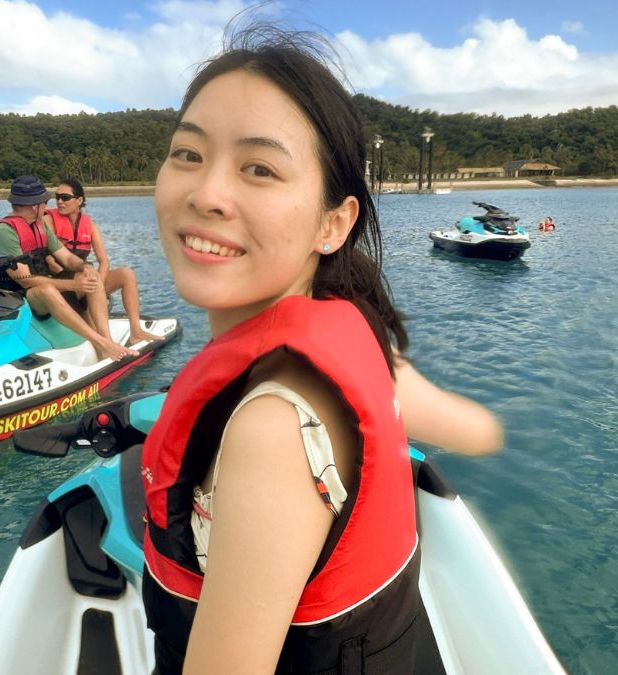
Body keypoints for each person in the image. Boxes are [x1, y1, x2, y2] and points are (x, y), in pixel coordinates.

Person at [140, 26, 503, 673]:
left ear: (335, 222)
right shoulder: (356, 324)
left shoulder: (272, 432)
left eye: (259, 168)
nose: (206, 193)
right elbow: (471, 429)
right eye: (188, 155)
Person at [0, 175, 136, 361]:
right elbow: (25, 280)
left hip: (41, 289)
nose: (48, 207)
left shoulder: (38, 226)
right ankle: (100, 343)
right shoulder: (3, 233)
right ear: (34, 205)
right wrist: (73, 286)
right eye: (45, 202)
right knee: (47, 290)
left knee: (91, 277)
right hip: (17, 296)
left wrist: (84, 267)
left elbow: (66, 257)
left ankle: (107, 343)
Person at [43, 178, 163, 345]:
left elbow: (104, 261)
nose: (60, 201)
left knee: (126, 274)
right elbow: (48, 258)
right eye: (57, 197)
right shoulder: (48, 220)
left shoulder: (90, 225)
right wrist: (93, 284)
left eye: (65, 197)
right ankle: (106, 345)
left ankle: (136, 331)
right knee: (94, 330)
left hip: (87, 283)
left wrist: (99, 286)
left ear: (79, 200)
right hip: (63, 285)